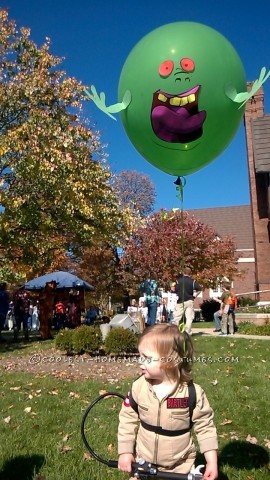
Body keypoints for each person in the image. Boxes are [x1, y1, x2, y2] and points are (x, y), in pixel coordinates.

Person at [118, 324, 218, 480]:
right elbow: (127, 419)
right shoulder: (139, 387)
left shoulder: (192, 394)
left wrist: (212, 462)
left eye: (147, 358)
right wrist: (125, 451)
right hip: (142, 463)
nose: (140, 361)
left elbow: (205, 427)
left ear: (170, 361)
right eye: (140, 356)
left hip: (178, 468)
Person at [174, 267, 202, 335]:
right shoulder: (193, 281)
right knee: (189, 317)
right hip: (189, 300)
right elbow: (199, 289)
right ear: (190, 273)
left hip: (180, 301)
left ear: (183, 272)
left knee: (177, 317)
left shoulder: (178, 281)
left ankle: (175, 332)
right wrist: (195, 296)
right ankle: (187, 332)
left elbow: (174, 289)